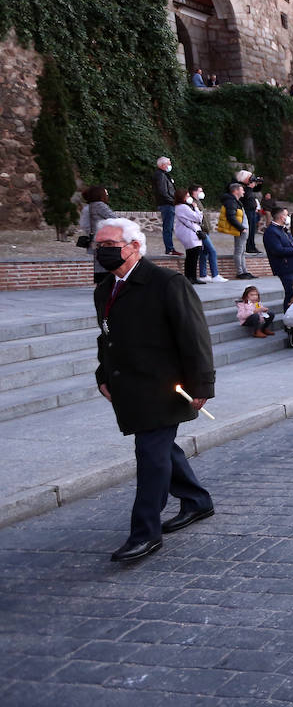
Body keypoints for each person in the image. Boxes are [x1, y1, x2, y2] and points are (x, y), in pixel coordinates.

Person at [92, 218, 215, 562]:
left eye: (109, 244)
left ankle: (145, 533)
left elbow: (195, 336)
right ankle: (197, 500)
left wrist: (202, 384)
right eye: (98, 245)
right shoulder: (104, 289)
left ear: (134, 246)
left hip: (166, 388)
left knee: (150, 455)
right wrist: (102, 374)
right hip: (130, 387)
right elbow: (107, 338)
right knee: (159, 449)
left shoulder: (167, 282)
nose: (101, 250)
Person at [263, 207, 293, 310]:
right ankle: (289, 319)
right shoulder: (271, 232)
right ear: (282, 217)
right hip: (284, 267)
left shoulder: (282, 230)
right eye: (287, 215)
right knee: (291, 293)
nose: (288, 217)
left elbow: (289, 245)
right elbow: (277, 250)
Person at [78, 186, 117, 284]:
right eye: (106, 193)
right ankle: (106, 285)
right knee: (107, 261)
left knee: (98, 262)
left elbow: (84, 224)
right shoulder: (100, 205)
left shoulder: (88, 207)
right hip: (104, 239)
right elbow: (114, 218)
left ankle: (100, 285)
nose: (107, 195)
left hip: (94, 239)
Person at [217, 182, 251, 279]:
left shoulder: (235, 201)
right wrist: (241, 228)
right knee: (239, 250)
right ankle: (240, 272)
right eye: (242, 189)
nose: (243, 191)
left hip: (243, 229)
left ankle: (245, 271)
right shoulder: (231, 201)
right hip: (241, 230)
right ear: (236, 191)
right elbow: (231, 216)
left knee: (242, 251)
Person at [172, 189, 205, 284]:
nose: (189, 198)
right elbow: (197, 218)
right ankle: (191, 277)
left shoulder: (181, 207)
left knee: (191, 255)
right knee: (193, 255)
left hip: (189, 233)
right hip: (189, 234)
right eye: (187, 196)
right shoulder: (182, 207)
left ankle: (191, 277)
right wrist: (196, 208)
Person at [152, 156, 178, 256]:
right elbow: (163, 192)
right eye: (169, 163)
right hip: (167, 204)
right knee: (168, 227)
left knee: (169, 227)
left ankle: (170, 248)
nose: (170, 165)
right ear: (163, 165)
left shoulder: (164, 175)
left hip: (167, 203)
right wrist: (172, 201)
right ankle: (169, 248)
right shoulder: (160, 175)